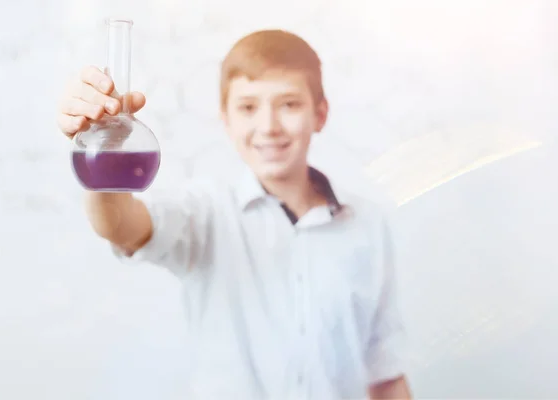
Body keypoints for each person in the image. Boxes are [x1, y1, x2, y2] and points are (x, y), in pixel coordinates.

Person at [57, 29, 411, 399]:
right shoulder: (205, 214)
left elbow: (384, 374)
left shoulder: (367, 224)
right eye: (247, 107)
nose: (269, 126)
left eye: (289, 104)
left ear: (320, 114)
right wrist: (100, 142)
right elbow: (119, 225)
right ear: (225, 119)